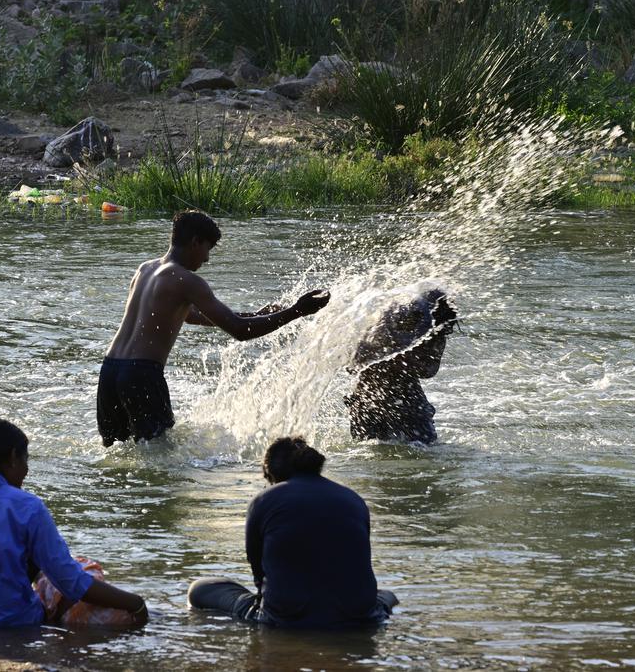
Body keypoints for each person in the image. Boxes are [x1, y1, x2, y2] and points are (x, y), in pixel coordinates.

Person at [97, 210, 331, 445]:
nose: (207, 259)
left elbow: (190, 316)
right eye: (208, 248)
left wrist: (258, 315)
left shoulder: (145, 270)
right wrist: (296, 311)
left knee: (116, 452)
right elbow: (239, 330)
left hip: (109, 371)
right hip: (141, 375)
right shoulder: (186, 280)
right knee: (158, 459)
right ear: (195, 242)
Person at [0, 417, 148, 629]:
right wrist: (135, 603)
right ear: (13, 457)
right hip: (10, 622)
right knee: (82, 568)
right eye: (25, 460)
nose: (26, 471)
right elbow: (72, 582)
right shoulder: (27, 506)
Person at [187, 437, 398, 628]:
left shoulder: (265, 500)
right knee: (387, 595)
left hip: (287, 616)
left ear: (272, 473)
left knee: (200, 589)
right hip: (359, 613)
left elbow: (258, 570)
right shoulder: (353, 499)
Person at [346, 288, 458, 444]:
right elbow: (353, 365)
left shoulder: (436, 337)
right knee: (367, 448)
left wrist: (403, 361)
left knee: (425, 447)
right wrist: (393, 359)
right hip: (369, 397)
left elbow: (429, 371)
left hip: (407, 396)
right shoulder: (385, 326)